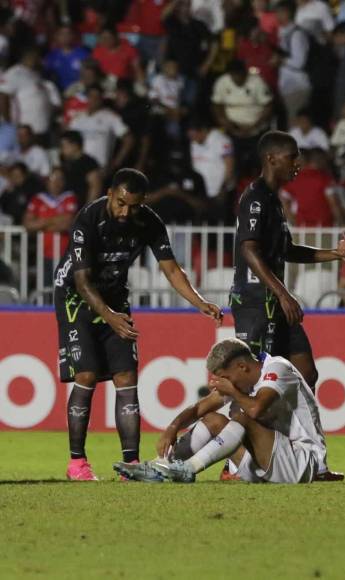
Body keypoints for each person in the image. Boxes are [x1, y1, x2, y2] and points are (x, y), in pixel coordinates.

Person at [56, 168, 223, 481]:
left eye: (133, 206)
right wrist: (110, 317)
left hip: (115, 298)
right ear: (110, 194)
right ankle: (77, 463)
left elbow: (172, 270)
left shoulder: (149, 221)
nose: (125, 212)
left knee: (126, 375)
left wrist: (200, 302)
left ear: (143, 202)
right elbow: (81, 281)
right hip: (76, 298)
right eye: (120, 203)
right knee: (88, 374)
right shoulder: (88, 220)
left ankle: (130, 465)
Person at [114, 338, 334, 484]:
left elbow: (256, 410)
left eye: (224, 378)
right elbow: (200, 408)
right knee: (212, 420)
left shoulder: (278, 369)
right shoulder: (240, 382)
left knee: (243, 417)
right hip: (267, 462)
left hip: (303, 462)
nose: (221, 384)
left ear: (242, 367)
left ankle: (188, 469)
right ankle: (159, 467)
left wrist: (233, 392)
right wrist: (173, 427)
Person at [231, 131, 345, 394]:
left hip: (275, 301)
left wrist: (335, 253)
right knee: (257, 383)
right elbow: (248, 249)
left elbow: (289, 250)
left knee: (306, 372)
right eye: (293, 156)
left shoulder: (275, 201)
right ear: (271, 158)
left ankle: (291, 433)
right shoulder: (255, 197)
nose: (298, 163)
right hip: (256, 303)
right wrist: (284, 294)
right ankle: (220, 430)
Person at [59, 130, 102, 206]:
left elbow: (95, 187)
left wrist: (88, 209)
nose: (62, 150)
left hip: (82, 207)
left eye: (64, 146)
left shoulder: (89, 163)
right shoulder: (66, 163)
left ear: (75, 145)